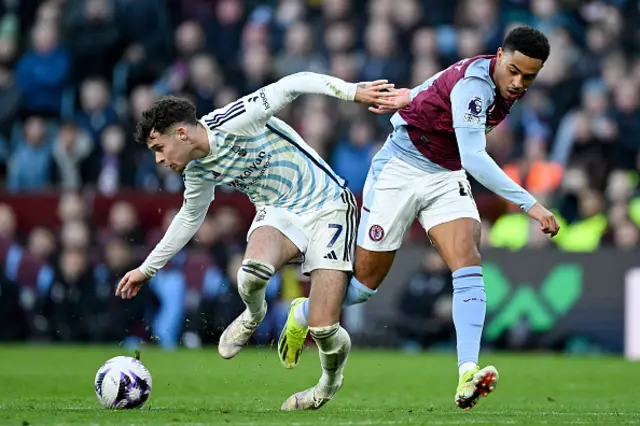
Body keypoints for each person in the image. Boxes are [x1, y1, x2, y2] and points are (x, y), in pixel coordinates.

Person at [278, 27, 560, 411]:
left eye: (529, 77)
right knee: (362, 286)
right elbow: (475, 157)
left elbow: (439, 82)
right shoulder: (475, 88)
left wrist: (411, 96)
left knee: (468, 260)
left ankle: (467, 373)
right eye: (513, 71)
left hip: (445, 176)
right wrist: (532, 205)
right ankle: (303, 311)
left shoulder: (485, 75)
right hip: (400, 169)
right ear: (499, 55)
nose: (518, 82)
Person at [114, 72, 396, 410]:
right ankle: (253, 313)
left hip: (328, 206)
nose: (159, 159)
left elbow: (292, 84)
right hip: (277, 212)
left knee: (324, 328)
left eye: (159, 148)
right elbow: (190, 218)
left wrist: (353, 93)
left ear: (181, 133)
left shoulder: (235, 120)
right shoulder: (196, 170)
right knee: (251, 273)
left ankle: (327, 384)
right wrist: (148, 268)